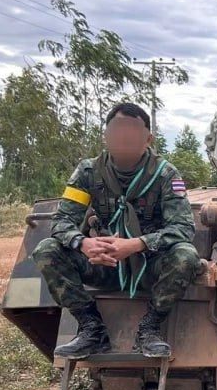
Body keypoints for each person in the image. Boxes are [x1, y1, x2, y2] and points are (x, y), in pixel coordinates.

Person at [33, 102, 200, 360]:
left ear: (148, 139)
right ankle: (91, 329)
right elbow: (62, 221)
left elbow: (183, 228)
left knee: (185, 255)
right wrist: (84, 244)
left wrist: (136, 244)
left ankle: (150, 329)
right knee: (47, 250)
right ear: (106, 137)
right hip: (103, 263)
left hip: (149, 266)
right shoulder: (88, 172)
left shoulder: (165, 175)